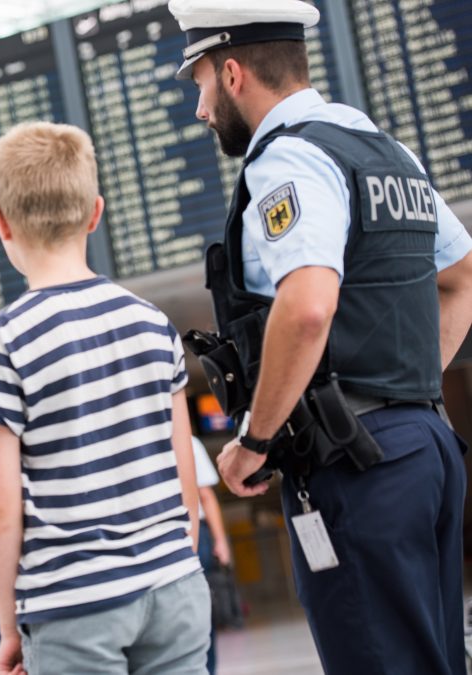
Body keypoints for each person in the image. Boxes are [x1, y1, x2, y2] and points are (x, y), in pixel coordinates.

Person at [169, 1, 472, 672]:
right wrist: (402, 390)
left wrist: (255, 440)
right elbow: (463, 277)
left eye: (201, 84)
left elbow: (307, 306)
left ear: (234, 73)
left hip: (358, 466)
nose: (200, 109)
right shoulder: (386, 151)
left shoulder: (287, 160)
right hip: (426, 446)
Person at [0, 121, 210, 675]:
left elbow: (0, 510)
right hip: (175, 583)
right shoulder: (152, 323)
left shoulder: (3, 341)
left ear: (0, 220)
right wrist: (176, 561)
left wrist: (9, 625)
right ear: (95, 212)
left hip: (72, 603)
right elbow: (185, 477)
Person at [192, 437, 232, 675]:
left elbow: (206, 496)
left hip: (185, 534)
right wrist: (221, 541)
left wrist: (219, 540)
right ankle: (207, 669)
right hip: (196, 532)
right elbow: (205, 496)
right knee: (202, 608)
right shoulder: (188, 442)